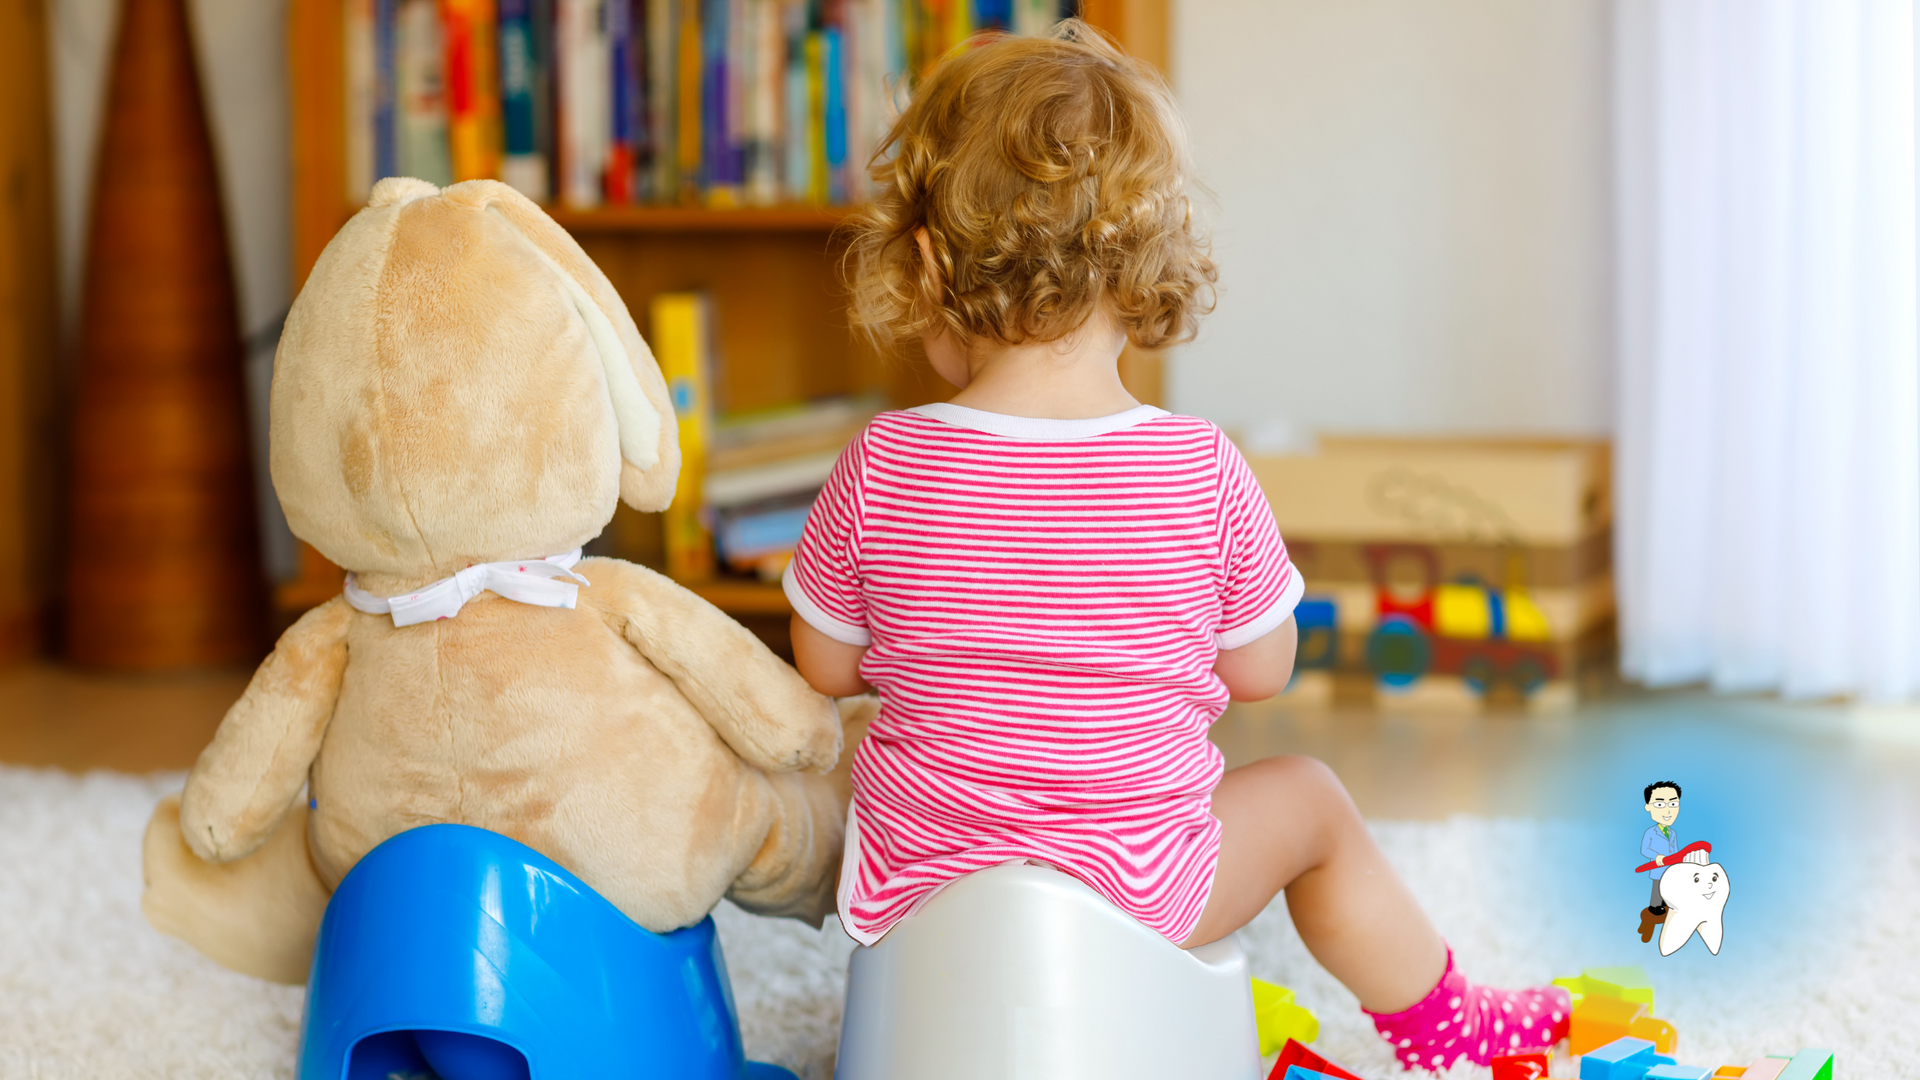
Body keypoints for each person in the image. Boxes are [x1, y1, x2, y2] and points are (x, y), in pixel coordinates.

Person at [784, 22, 1568, 1071]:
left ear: (925, 262)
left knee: (865, 759)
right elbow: (1261, 669)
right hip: (1143, 891)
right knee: (1312, 802)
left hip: (922, 893)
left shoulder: (883, 459)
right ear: (1143, 266)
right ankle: (1447, 1025)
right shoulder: (1200, 468)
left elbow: (825, 665)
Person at [1639, 781, 1684, 938]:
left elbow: (1675, 850)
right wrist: (1656, 856)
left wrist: (1679, 861)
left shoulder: (1672, 833)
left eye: (1672, 803)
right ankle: (1653, 912)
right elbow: (1644, 849)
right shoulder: (1650, 833)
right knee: (1656, 894)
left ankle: (1667, 911)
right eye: (1659, 804)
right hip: (1658, 870)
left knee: (1670, 893)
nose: (1667, 810)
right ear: (1648, 807)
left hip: (1671, 871)